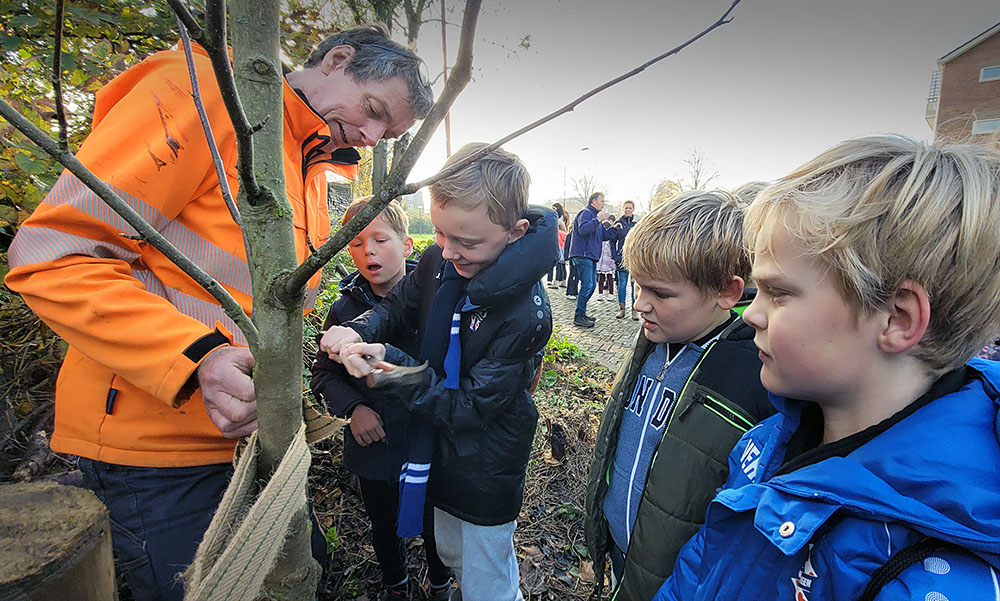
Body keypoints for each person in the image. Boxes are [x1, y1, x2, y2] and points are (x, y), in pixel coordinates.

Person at [4, 24, 433, 601]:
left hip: (244, 442)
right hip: (152, 450)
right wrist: (196, 358)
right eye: (375, 109)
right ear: (336, 59)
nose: (372, 135)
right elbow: (53, 256)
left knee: (303, 571)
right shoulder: (202, 97)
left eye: (389, 132)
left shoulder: (304, 165)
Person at [654, 136, 1000, 600]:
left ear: (896, 318)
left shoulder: (930, 575)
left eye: (778, 294)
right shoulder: (767, 446)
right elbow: (698, 571)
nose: (752, 314)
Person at [319, 143, 560, 601]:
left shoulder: (524, 315)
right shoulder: (439, 259)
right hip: (435, 449)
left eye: (467, 242)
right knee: (450, 552)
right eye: (440, 234)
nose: (448, 252)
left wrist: (391, 370)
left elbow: (469, 406)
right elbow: (398, 304)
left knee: (487, 574)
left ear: (516, 231)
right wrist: (356, 329)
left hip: (482, 464)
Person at [584, 191, 773, 601]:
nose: (639, 305)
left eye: (661, 294)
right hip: (623, 550)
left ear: (726, 291)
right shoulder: (650, 342)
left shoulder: (753, 376)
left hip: (680, 583)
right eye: (637, 286)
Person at [310, 197, 454, 601]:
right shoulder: (343, 310)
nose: (367, 250)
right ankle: (396, 585)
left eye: (379, 239)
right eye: (355, 243)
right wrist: (354, 410)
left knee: (433, 519)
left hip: (426, 439)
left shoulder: (435, 300)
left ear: (407, 245)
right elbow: (323, 373)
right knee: (383, 521)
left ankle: (440, 583)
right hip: (374, 447)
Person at [569, 192, 614, 327]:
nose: (603, 203)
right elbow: (583, 229)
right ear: (593, 201)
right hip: (583, 255)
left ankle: (581, 312)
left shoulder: (595, 217)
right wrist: (598, 220)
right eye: (601, 201)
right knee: (587, 286)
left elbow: (604, 236)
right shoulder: (586, 213)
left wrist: (615, 229)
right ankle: (578, 315)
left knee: (592, 286)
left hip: (591, 257)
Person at [609, 200, 638, 319]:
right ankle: (622, 309)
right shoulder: (618, 223)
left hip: (633, 259)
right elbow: (612, 241)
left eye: (630, 208)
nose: (628, 210)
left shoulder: (636, 224)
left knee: (633, 285)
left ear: (633, 209)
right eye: (626, 208)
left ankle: (634, 310)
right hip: (621, 258)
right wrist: (614, 255)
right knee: (622, 284)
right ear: (623, 209)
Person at [546, 202, 568, 288]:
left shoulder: (559, 219)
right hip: (561, 241)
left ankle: (557, 281)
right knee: (561, 264)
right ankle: (562, 281)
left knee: (559, 263)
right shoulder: (559, 218)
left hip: (559, 242)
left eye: (554, 208)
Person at [596, 215, 616, 301]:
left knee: (603, 278)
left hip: (606, 261)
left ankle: (602, 293)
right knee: (607, 278)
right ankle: (608, 293)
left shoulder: (607, 241)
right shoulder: (604, 241)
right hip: (605, 260)